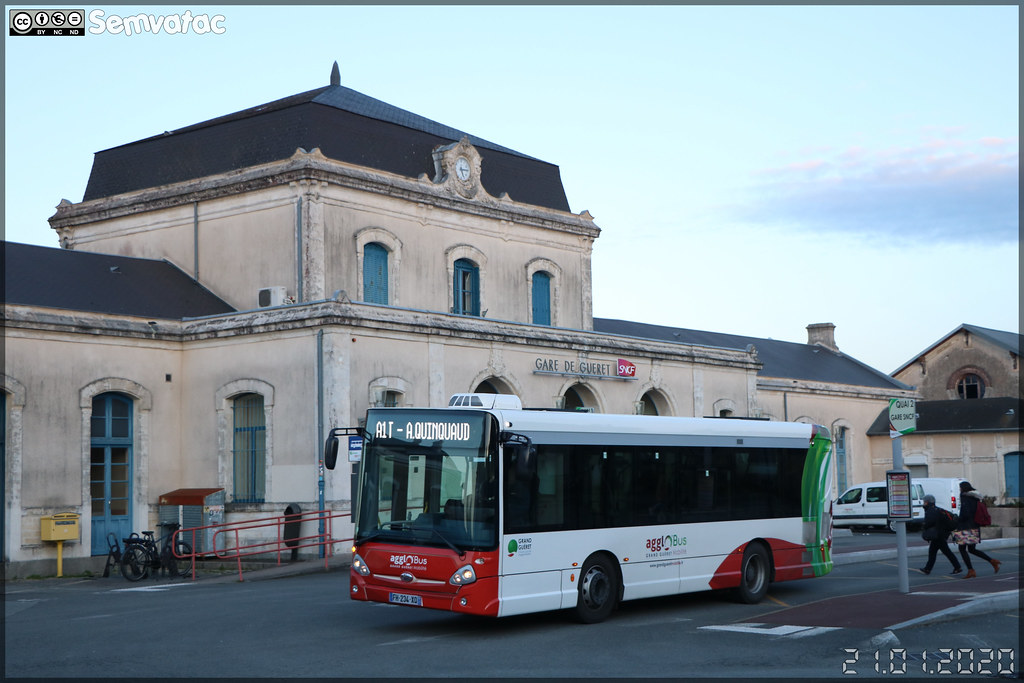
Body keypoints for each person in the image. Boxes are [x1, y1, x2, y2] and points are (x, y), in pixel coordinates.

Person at [954, 481, 1001, 578]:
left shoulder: (965, 497)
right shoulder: (976, 498)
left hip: (965, 527)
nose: (959, 490)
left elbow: (965, 513)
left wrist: (957, 520)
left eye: (960, 488)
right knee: (972, 549)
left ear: (963, 488)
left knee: (962, 549)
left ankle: (971, 570)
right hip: (974, 525)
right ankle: (992, 561)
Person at [918, 494, 962, 575]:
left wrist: (924, 526)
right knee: (935, 551)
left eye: (924, 502)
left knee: (942, 552)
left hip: (938, 535)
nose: (923, 503)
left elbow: (930, 522)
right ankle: (928, 568)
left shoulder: (931, 511)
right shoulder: (938, 509)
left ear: (927, 502)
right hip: (941, 534)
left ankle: (957, 567)